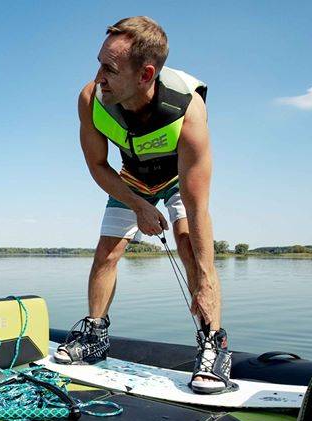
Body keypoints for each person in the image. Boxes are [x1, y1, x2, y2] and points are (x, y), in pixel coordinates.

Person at [53, 16, 234, 394]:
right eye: (99, 62)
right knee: (106, 253)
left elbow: (198, 207)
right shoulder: (91, 99)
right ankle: (95, 335)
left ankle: (213, 346)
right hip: (131, 180)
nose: (98, 76)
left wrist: (203, 280)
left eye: (110, 68)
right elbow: (98, 166)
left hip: (176, 180)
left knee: (190, 248)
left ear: (145, 73)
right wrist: (137, 205)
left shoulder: (188, 110)